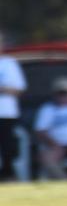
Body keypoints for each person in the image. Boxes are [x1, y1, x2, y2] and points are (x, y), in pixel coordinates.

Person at [0, 32, 27, 182]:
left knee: (7, 146)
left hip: (6, 113)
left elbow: (19, 89)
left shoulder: (9, 64)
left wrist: (3, 90)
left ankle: (8, 174)